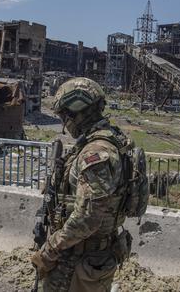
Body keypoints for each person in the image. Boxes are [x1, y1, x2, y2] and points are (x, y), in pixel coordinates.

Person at [31, 77, 131, 291]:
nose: (64, 124)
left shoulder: (95, 152)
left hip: (77, 258)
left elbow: (88, 217)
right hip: (92, 257)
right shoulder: (112, 141)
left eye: (64, 117)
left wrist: (49, 250)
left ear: (76, 112)